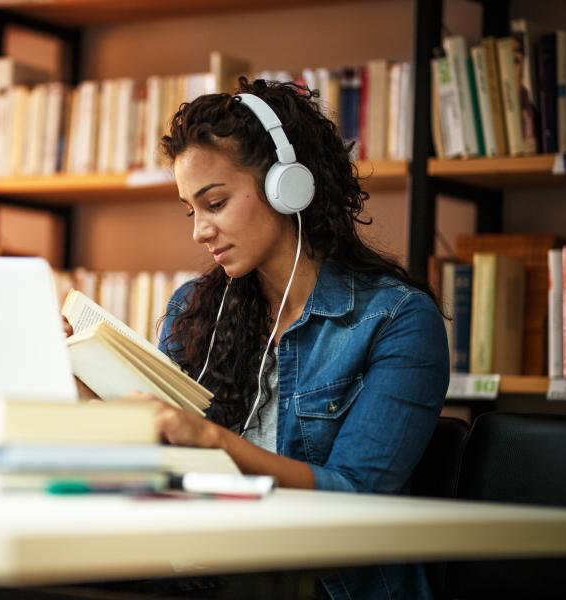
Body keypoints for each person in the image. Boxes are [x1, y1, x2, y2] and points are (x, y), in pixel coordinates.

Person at [60, 77, 449, 599]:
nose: (199, 231)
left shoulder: (397, 320)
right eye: (190, 210)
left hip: (319, 585)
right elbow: (163, 475)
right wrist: (94, 397)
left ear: (286, 186)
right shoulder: (196, 310)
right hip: (195, 574)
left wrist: (213, 440)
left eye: (215, 203)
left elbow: (356, 498)